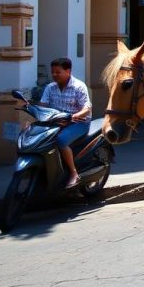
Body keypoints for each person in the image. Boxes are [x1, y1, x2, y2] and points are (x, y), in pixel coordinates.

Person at [38, 58, 92, 189]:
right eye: (53, 72)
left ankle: (74, 173)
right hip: (56, 123)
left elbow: (87, 108)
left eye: (58, 72)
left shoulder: (79, 86)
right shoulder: (50, 88)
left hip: (78, 123)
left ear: (68, 71)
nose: (54, 75)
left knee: (61, 140)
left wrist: (75, 116)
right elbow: (42, 105)